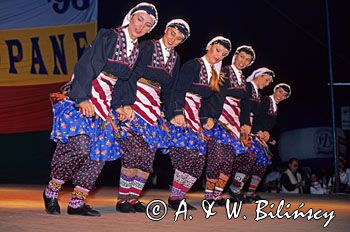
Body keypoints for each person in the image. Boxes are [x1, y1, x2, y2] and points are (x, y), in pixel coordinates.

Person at [43, 2, 158, 216]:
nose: (142, 26)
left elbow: (124, 83)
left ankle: (77, 202)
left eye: (148, 24)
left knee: (100, 152)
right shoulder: (110, 36)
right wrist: (82, 97)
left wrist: (122, 106)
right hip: (87, 95)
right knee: (79, 145)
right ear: (131, 17)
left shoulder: (135, 51)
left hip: (105, 106)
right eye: (140, 19)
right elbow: (86, 64)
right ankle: (52, 190)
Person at [113, 19, 190, 213]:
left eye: (179, 38)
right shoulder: (147, 46)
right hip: (135, 102)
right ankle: (122, 199)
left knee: (147, 156)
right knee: (133, 152)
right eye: (172, 33)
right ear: (166, 30)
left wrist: (173, 114)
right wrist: (125, 103)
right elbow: (129, 74)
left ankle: (133, 198)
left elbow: (171, 90)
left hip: (154, 108)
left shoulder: (175, 58)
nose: (174, 40)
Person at [166, 36, 231, 210]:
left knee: (199, 161)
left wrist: (206, 119)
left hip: (195, 116)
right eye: (218, 50)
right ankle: (174, 198)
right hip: (182, 113)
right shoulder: (194, 65)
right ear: (209, 46)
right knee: (187, 157)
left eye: (223, 55)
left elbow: (205, 101)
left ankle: (179, 197)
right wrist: (177, 112)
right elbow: (178, 89)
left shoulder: (213, 74)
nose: (219, 56)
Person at [203, 45, 255, 205]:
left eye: (247, 60)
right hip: (220, 120)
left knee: (228, 161)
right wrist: (210, 117)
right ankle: (208, 196)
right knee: (216, 159)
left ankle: (217, 195)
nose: (243, 62)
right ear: (236, 56)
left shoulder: (244, 81)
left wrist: (245, 123)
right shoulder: (224, 71)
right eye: (241, 57)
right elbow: (214, 95)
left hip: (234, 124)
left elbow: (245, 105)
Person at [228, 67, 274, 202]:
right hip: (241, 126)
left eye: (268, 83)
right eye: (266, 80)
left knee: (250, 158)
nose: (266, 84)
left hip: (249, 127)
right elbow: (245, 108)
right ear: (259, 76)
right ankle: (232, 189)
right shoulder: (248, 87)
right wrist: (245, 125)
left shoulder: (257, 93)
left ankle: (236, 189)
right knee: (247, 157)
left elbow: (257, 114)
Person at [244, 83, 292, 201]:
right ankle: (235, 190)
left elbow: (268, 126)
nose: (281, 96)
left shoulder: (276, 107)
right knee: (248, 163)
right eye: (280, 92)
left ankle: (250, 193)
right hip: (253, 135)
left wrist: (270, 139)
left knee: (262, 164)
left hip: (261, 137)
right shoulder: (266, 100)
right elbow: (255, 116)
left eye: (285, 95)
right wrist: (257, 130)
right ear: (275, 90)